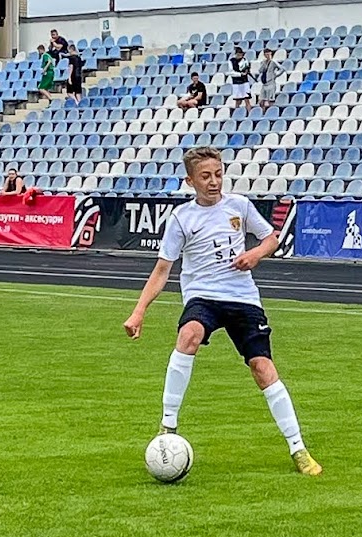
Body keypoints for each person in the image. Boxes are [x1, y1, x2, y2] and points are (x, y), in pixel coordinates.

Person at [123, 146, 322, 477]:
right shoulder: (181, 219)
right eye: (205, 176)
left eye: (218, 174)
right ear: (190, 181)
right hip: (203, 297)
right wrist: (139, 311)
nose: (214, 182)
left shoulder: (239, 206)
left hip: (243, 299)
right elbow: (162, 270)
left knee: (262, 367)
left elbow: (271, 238)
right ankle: (167, 427)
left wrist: (256, 254)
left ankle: (298, 448)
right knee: (189, 333)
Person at [228, 46, 252, 112]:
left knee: (247, 99)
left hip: (244, 82)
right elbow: (231, 72)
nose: (240, 56)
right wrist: (240, 74)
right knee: (237, 100)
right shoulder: (231, 61)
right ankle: (237, 113)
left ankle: (249, 113)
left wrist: (246, 71)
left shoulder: (245, 60)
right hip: (236, 82)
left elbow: (246, 69)